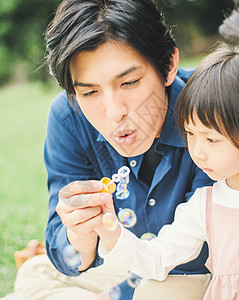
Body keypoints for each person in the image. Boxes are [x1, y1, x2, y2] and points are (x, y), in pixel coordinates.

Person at [14, 0, 215, 299]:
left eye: (129, 82)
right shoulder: (68, 118)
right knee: (34, 275)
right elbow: (70, 254)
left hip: (197, 268)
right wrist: (79, 234)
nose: (113, 112)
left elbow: (205, 245)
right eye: (90, 91)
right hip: (130, 260)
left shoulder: (212, 107)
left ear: (169, 65)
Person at [96, 16, 239, 300]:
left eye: (211, 139)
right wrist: (111, 233)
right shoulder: (205, 206)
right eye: (190, 134)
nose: (197, 151)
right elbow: (157, 258)